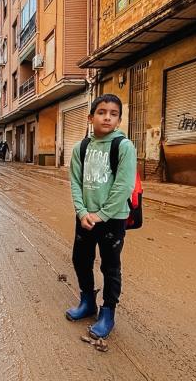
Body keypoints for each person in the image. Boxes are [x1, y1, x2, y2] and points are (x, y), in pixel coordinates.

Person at [65, 94, 137, 340]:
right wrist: (82, 212)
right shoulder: (81, 148)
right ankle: (87, 303)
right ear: (91, 117)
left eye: (113, 113)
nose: (107, 117)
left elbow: (124, 185)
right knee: (80, 260)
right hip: (85, 217)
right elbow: (75, 181)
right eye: (102, 112)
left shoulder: (123, 147)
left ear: (118, 120)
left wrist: (102, 214)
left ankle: (108, 312)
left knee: (110, 266)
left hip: (112, 218)